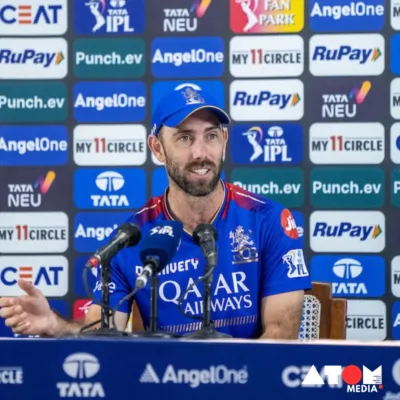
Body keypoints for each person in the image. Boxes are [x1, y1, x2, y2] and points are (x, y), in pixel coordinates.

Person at [0, 86, 312, 339]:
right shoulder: (129, 239)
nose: (201, 152)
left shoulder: (268, 219)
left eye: (211, 136)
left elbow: (280, 336)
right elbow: (102, 333)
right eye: (185, 137)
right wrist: (55, 325)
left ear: (225, 142)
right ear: (158, 148)